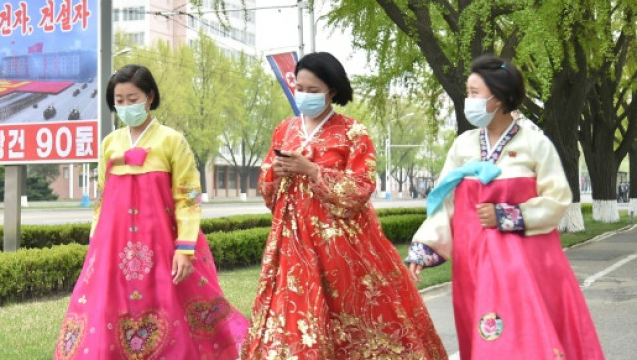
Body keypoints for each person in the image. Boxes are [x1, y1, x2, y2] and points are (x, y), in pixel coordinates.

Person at [241, 52, 446, 359]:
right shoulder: (285, 129)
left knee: (354, 315)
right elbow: (268, 190)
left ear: (332, 92)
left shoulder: (353, 132)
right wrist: (276, 172)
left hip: (343, 248)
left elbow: (361, 188)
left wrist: (311, 171)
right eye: (300, 88)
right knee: (292, 319)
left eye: (313, 90)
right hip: (292, 244)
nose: (304, 95)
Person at [406, 54, 604, 360]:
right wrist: (425, 247)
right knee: (481, 332)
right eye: (467, 92)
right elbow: (446, 200)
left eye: (474, 93)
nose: (467, 100)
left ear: (497, 98)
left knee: (524, 337)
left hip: (526, 261)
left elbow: (557, 199)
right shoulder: (463, 145)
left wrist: (508, 215)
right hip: (472, 261)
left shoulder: (535, 144)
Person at [54, 64, 247, 360]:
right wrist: (96, 244)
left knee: (170, 308)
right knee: (106, 309)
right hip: (113, 248)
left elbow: (189, 197)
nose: (126, 106)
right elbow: (102, 199)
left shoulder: (172, 141)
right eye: (119, 100)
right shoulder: (109, 144)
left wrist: (185, 247)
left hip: (162, 246)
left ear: (150, 97)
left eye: (133, 99)